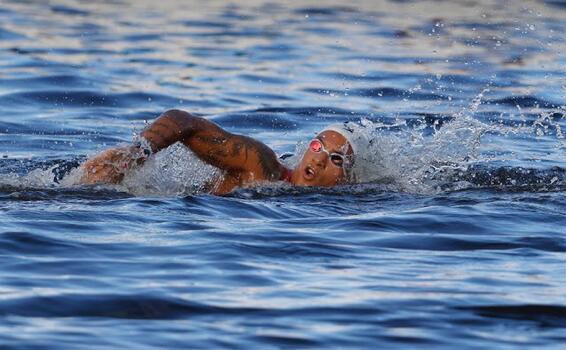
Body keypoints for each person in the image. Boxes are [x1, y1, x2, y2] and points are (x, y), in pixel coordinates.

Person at [79, 109, 367, 195]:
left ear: (346, 179)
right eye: (317, 146)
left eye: (336, 159)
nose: (319, 158)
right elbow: (184, 121)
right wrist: (138, 154)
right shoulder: (260, 165)